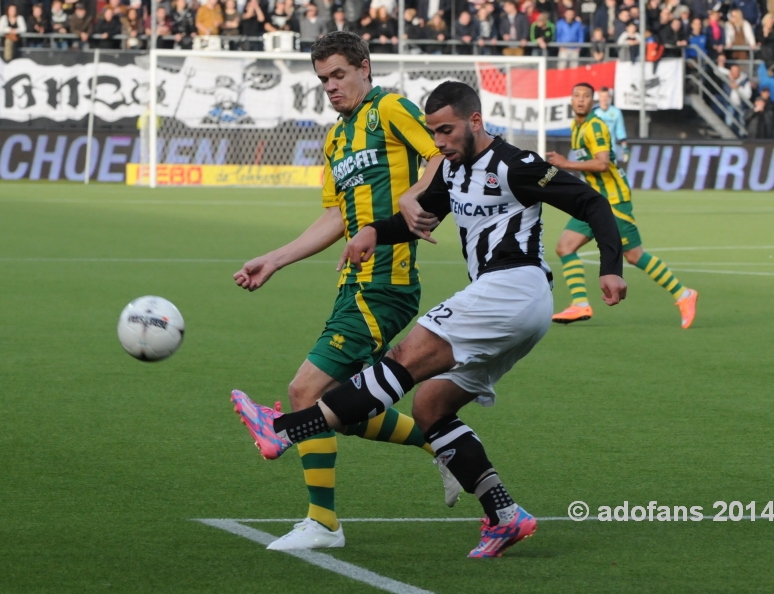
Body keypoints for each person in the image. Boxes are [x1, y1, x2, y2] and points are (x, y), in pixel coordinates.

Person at [231, 79, 626, 558]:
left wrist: (610, 269)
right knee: (431, 407)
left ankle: (285, 431)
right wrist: (374, 232)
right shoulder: (454, 172)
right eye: (432, 133)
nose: (437, 143)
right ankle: (505, 515)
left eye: (445, 131)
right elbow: (418, 220)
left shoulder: (515, 164)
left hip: (513, 288)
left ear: (475, 122)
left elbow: (591, 202)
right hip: (511, 304)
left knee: (405, 357)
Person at [232, 31, 449, 551]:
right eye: (323, 79)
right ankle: (446, 445)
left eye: (338, 75)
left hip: (387, 284)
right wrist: (276, 259)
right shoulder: (336, 138)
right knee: (343, 409)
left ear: (364, 68)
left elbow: (440, 154)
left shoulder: (390, 108)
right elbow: (334, 215)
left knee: (305, 393)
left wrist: (415, 197)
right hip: (352, 284)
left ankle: (323, 523)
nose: (331, 87)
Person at [546, 84, 698, 329]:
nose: (581, 100)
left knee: (634, 255)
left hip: (613, 201)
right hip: (594, 200)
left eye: (586, 96)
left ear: (593, 101)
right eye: (576, 96)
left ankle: (683, 294)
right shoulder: (577, 126)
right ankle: (580, 303)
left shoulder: (595, 126)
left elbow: (603, 164)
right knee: (565, 246)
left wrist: (567, 164)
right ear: (571, 100)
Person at [594, 87, 628, 163]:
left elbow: (620, 131)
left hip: (611, 151)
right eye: (602, 96)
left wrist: (625, 149)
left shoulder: (616, 112)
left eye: (606, 96)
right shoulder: (594, 113)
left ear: (610, 97)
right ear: (599, 97)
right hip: (596, 151)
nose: (604, 99)